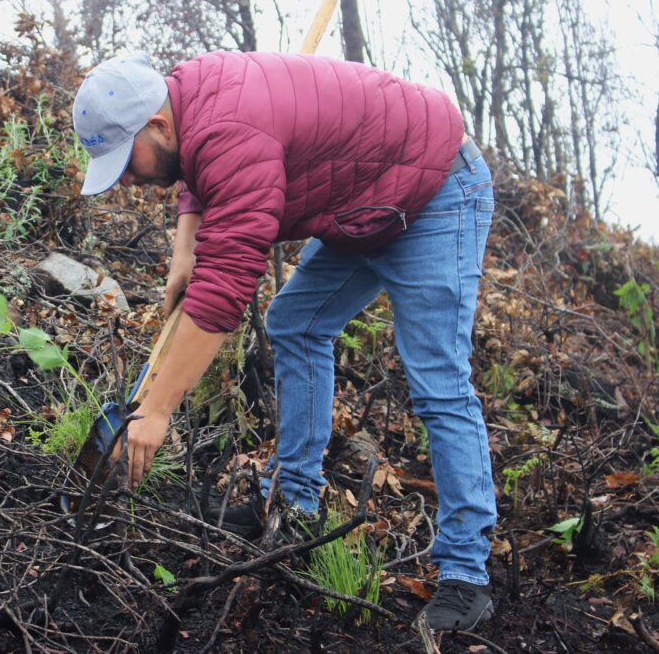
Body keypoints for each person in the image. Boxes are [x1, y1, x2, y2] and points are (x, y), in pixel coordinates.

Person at [71, 51, 497, 632]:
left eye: (127, 160)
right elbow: (201, 167)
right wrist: (185, 246)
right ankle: (295, 502)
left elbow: (224, 291)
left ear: (157, 124)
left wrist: (156, 409)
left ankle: (466, 573)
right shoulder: (187, 97)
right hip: (362, 201)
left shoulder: (227, 128)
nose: (126, 176)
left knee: (438, 380)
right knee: (295, 322)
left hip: (434, 191)